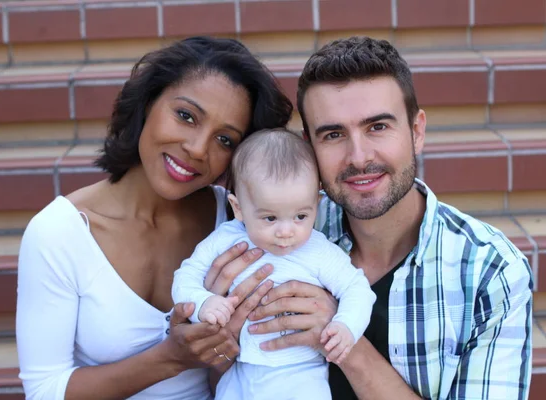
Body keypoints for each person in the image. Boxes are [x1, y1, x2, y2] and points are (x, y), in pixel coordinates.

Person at [211, 36, 533, 399]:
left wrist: (344, 341)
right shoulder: (274, 229)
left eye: (377, 127)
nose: (359, 156)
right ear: (309, 147)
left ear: (416, 131)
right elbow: (215, 373)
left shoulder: (488, 270)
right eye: (333, 134)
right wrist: (220, 345)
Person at [15, 36, 294, 400]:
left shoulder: (235, 220)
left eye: (225, 140)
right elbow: (44, 391)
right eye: (186, 116)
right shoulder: (59, 233)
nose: (197, 148)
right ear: (148, 103)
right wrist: (171, 358)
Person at [172, 129, 376, 399]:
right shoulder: (226, 239)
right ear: (239, 208)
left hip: (300, 375)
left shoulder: (318, 250)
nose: (286, 231)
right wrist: (203, 304)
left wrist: (346, 325)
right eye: (270, 218)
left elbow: (357, 288)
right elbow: (186, 276)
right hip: (239, 372)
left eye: (301, 216)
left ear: (316, 203)